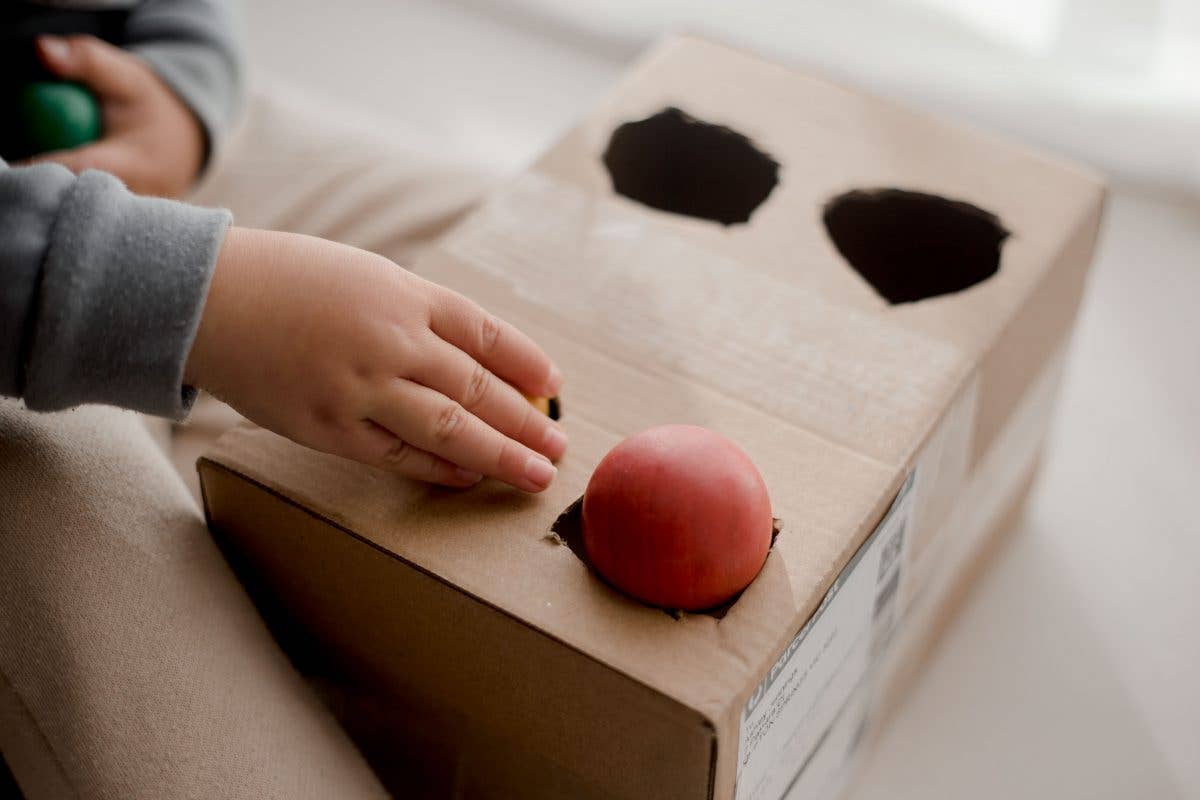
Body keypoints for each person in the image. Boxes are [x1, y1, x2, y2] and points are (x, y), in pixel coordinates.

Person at [0, 2, 565, 797]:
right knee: (96, 554)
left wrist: (186, 87)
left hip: (123, 118)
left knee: (512, 240)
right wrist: (208, 303)